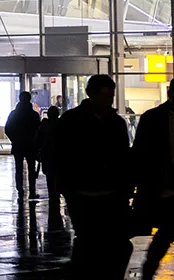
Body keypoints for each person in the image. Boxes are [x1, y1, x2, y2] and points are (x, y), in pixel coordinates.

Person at [54, 74, 132, 280]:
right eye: (105, 96)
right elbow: (60, 155)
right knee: (93, 242)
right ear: (91, 94)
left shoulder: (113, 123)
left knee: (107, 243)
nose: (108, 101)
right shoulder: (74, 121)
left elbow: (123, 158)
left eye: (110, 96)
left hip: (106, 192)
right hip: (84, 192)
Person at [131, 77, 174, 280]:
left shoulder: (152, 118)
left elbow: (140, 153)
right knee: (167, 231)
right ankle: (149, 269)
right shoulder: (153, 118)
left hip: (165, 186)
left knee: (165, 233)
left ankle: (149, 270)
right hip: (165, 185)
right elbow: (142, 153)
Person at [4, 91, 41, 198]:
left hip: (18, 145)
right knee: (31, 168)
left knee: (18, 168)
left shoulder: (14, 114)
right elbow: (38, 130)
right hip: (30, 145)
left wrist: (14, 140)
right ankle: (32, 191)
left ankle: (20, 189)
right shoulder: (33, 114)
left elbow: (7, 129)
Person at [34, 106, 61, 206]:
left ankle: (52, 195)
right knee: (58, 174)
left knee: (49, 175)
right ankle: (57, 193)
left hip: (47, 154)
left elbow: (37, 140)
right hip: (59, 154)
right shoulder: (61, 125)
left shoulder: (44, 125)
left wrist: (37, 151)